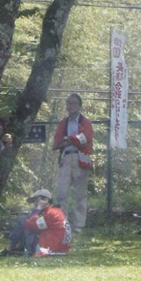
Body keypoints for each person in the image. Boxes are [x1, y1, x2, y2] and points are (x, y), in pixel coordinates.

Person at [53, 93, 93, 233]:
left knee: (79, 193)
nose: (71, 106)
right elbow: (57, 142)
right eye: (69, 103)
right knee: (61, 192)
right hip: (65, 157)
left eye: (74, 103)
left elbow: (85, 139)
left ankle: (79, 225)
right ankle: (62, 223)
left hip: (80, 158)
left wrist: (69, 139)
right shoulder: (63, 123)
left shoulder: (85, 122)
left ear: (79, 106)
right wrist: (72, 140)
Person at [24, 188, 71, 257]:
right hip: (60, 249)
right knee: (26, 222)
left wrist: (38, 209)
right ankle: (15, 247)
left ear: (45, 200)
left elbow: (30, 225)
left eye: (36, 200)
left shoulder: (50, 213)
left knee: (23, 222)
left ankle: (13, 247)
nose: (34, 203)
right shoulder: (56, 211)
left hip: (49, 249)